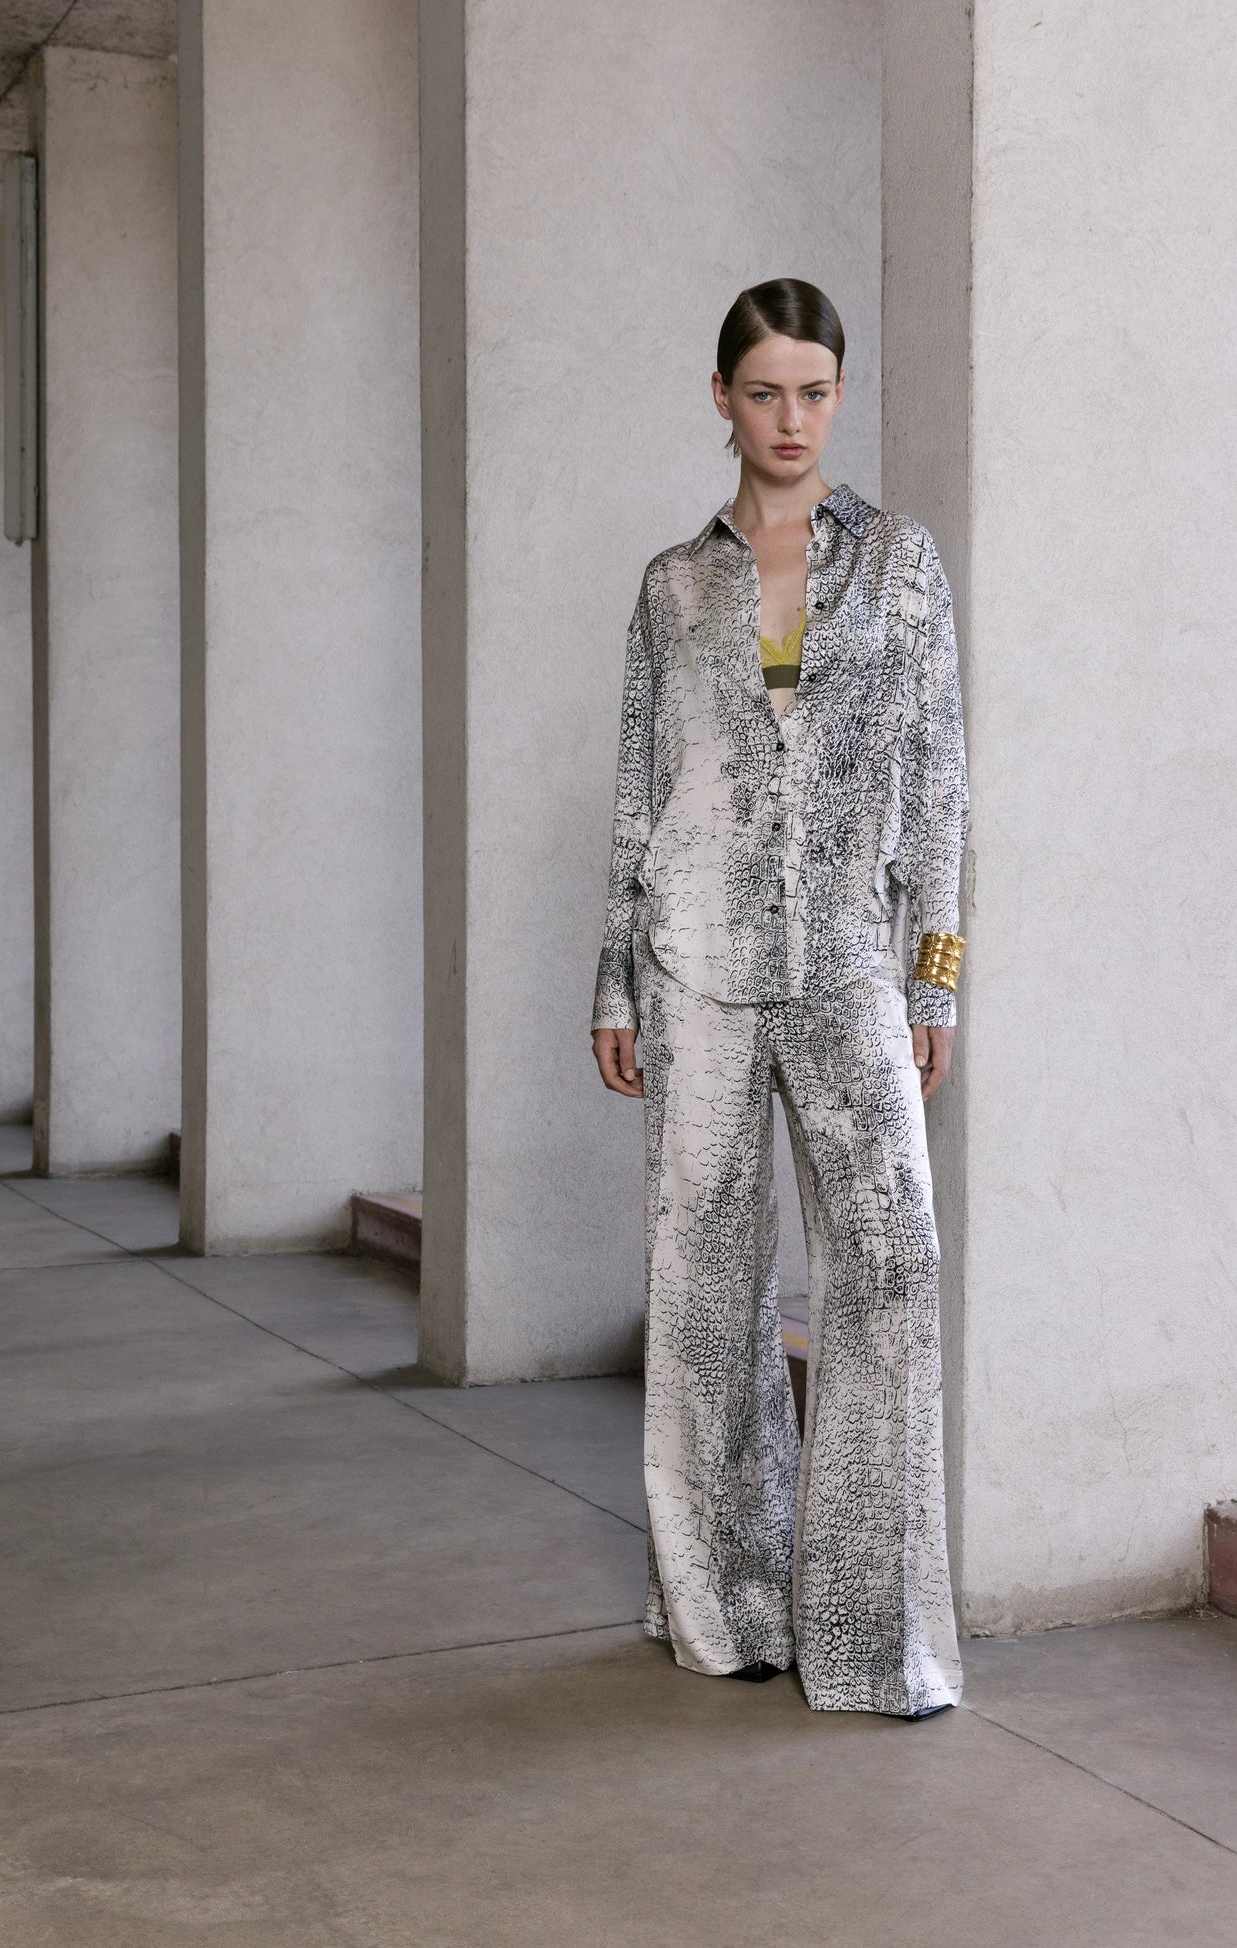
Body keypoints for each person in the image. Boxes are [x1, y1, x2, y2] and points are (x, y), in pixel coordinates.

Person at [590, 278, 968, 1720]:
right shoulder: (671, 586)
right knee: (705, 1294)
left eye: (814, 391)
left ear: (837, 396)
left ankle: (870, 1632)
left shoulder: (905, 570)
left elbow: (936, 785)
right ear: (722, 400)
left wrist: (932, 975)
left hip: (848, 963)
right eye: (765, 393)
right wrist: (611, 984)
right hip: (690, 966)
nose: (792, 419)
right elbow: (638, 796)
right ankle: (722, 1606)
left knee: (891, 1264)